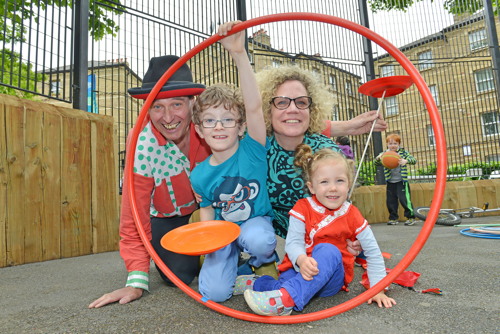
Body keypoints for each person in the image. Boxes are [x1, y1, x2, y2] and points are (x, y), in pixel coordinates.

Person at [89, 21, 385, 309]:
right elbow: (133, 216)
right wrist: (136, 279)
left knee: (259, 239)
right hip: (186, 216)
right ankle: (233, 267)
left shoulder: (228, 134)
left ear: (193, 107)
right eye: (158, 106)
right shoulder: (148, 146)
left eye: (177, 104)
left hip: (253, 224)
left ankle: (262, 265)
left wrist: (345, 127)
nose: (168, 116)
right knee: (185, 278)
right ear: (200, 125)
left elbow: (279, 120)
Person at [236, 145, 396, 316]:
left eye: (339, 181)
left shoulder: (353, 214)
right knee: (288, 281)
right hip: (298, 268)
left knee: (327, 249)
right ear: (311, 187)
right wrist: (302, 259)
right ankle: (261, 284)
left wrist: (378, 289)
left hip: (331, 279)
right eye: (324, 182)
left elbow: (373, 252)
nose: (333, 188)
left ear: (348, 184)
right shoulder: (302, 207)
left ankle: (285, 300)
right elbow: (294, 242)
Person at [189, 21, 277, 302]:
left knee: (259, 241)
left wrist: (239, 53)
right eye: (210, 121)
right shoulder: (199, 174)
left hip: (254, 225)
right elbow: (206, 210)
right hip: (222, 231)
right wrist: (208, 242)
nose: (219, 127)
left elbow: (252, 106)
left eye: (227, 119)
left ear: (240, 127)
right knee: (214, 294)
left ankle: (261, 259)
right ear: (200, 131)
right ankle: (240, 269)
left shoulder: (252, 150)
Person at [257, 65, 386, 239]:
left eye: (301, 102)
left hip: (321, 238)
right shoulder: (254, 148)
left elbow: (340, 208)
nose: (293, 109)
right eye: (281, 102)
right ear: (266, 109)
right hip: (268, 239)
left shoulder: (327, 151)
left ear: (312, 109)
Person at [374, 133, 417, 226]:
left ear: (399, 144)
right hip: (390, 181)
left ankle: (411, 217)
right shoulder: (384, 154)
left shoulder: (403, 153)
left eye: (395, 143)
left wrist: (406, 161)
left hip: (402, 181)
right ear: (387, 144)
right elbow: (376, 163)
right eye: (390, 143)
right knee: (391, 201)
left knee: (404, 200)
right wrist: (378, 159)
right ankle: (393, 218)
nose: (392, 146)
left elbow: (414, 160)